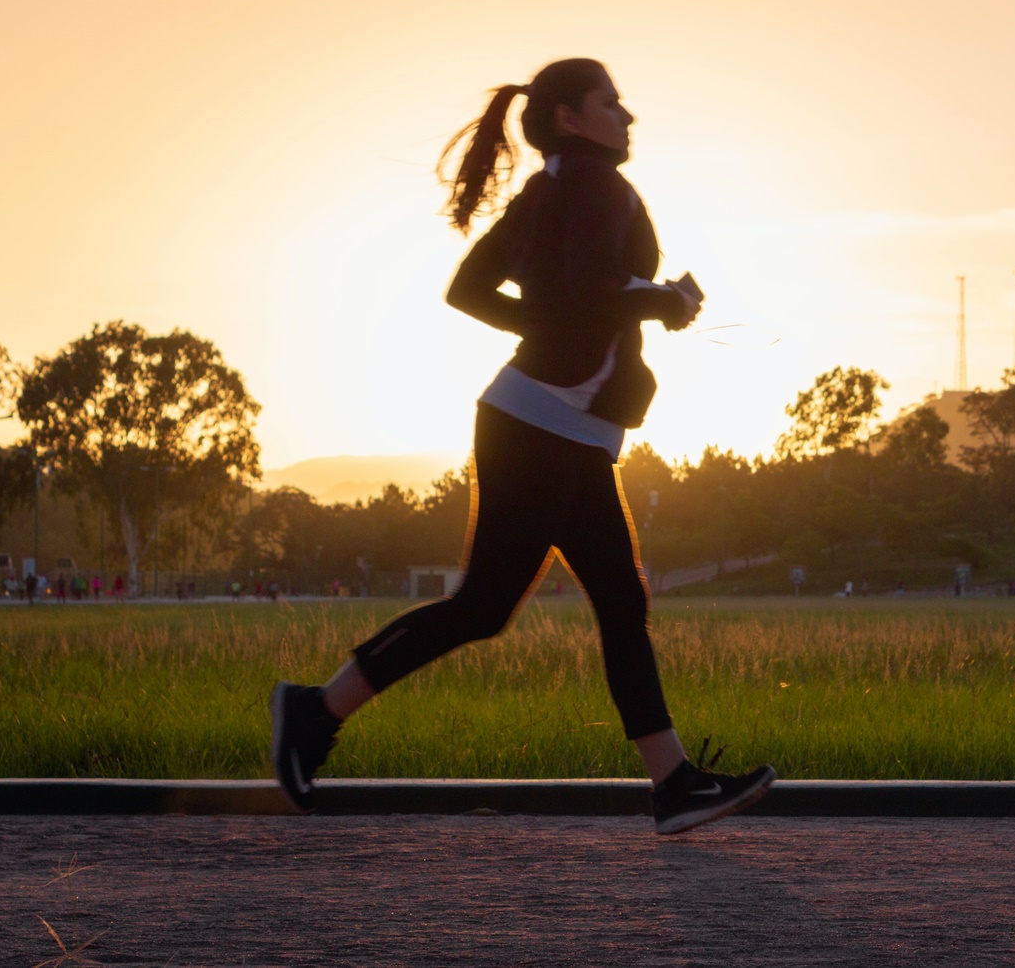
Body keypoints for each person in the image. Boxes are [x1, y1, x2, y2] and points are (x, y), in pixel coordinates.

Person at [270, 59, 774, 835]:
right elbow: (588, 290)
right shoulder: (596, 189)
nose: (628, 115)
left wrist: (550, 329)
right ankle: (314, 710)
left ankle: (672, 782)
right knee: (489, 606)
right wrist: (667, 301)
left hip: (550, 424)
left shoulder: (547, 191)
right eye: (612, 102)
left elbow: (470, 290)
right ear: (572, 117)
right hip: (540, 426)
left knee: (615, 599)